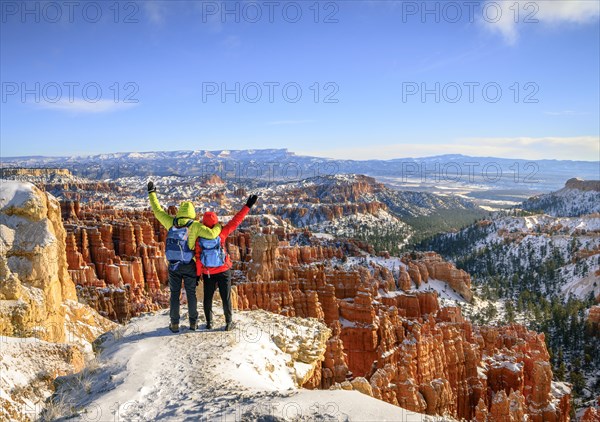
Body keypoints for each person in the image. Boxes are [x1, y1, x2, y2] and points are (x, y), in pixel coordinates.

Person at [147, 181, 222, 333]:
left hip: (173, 265)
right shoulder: (195, 225)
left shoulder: (171, 222)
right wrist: (219, 225)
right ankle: (192, 323)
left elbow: (157, 210)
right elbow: (213, 234)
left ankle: (174, 323)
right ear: (193, 213)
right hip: (189, 264)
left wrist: (152, 193)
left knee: (174, 294)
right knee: (191, 293)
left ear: (180, 211)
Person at [196, 194, 258, 331]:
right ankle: (229, 322)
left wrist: (198, 274)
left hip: (208, 273)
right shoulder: (222, 233)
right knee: (226, 297)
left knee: (207, 298)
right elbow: (236, 221)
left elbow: (198, 257)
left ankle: (209, 323)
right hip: (223, 270)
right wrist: (248, 206)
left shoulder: (199, 238)